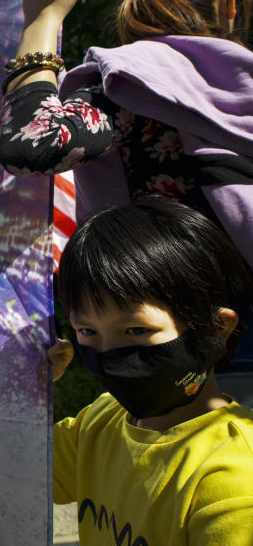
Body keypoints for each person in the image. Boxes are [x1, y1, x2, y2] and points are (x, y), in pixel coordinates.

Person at [0, 0, 253, 271]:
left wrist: (43, 17)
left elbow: (31, 144)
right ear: (231, 6)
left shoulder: (132, 84)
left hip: (182, 320)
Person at [48, 197, 253, 545]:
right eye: (88, 332)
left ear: (215, 328)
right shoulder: (97, 423)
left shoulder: (232, 478)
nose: (110, 353)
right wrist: (21, 386)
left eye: (135, 331)